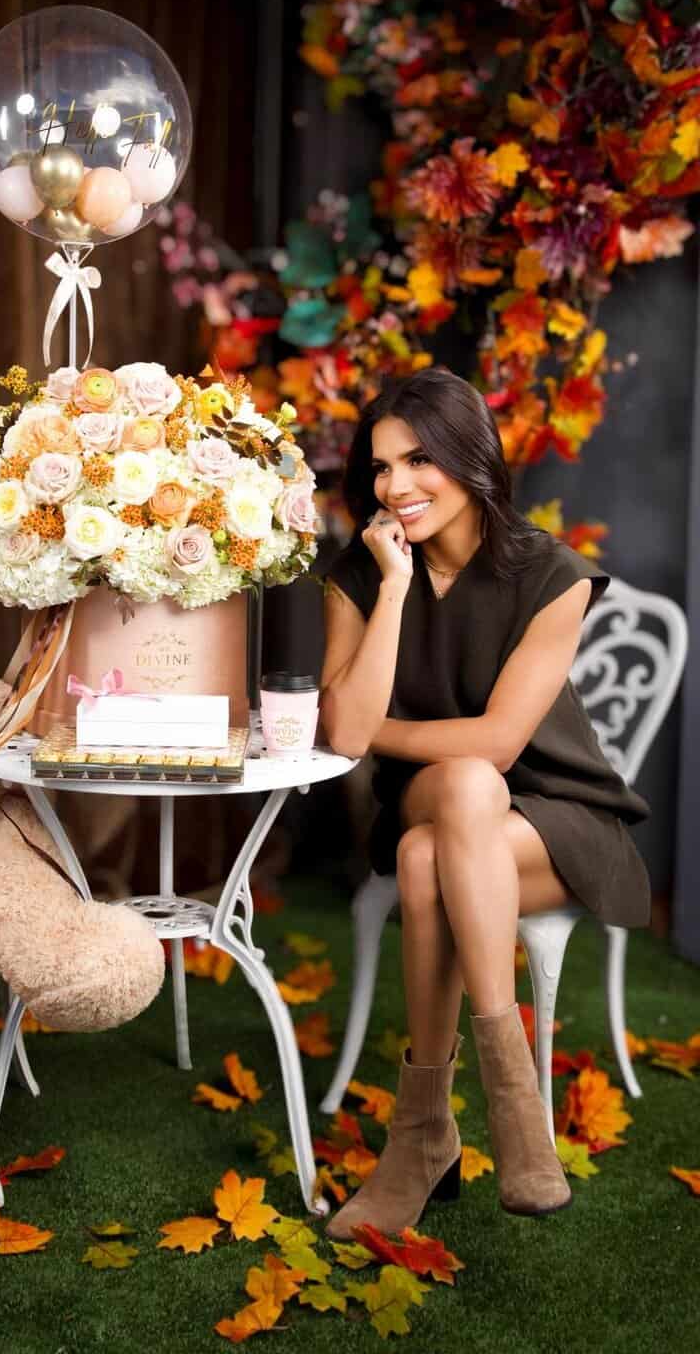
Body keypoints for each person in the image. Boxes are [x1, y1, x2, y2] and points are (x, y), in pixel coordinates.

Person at [319, 366, 650, 1238]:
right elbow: (347, 730)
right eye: (382, 466)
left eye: (418, 459)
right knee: (462, 789)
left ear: (470, 457)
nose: (396, 485)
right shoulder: (363, 573)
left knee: (436, 842)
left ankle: (423, 1134)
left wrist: (374, 730)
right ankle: (514, 1103)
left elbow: (499, 744)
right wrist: (394, 589)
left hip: (558, 818)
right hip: (434, 796)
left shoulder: (553, 575)